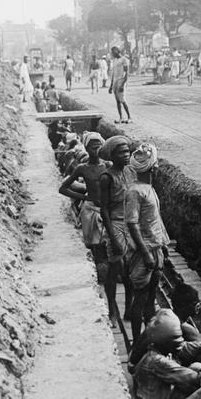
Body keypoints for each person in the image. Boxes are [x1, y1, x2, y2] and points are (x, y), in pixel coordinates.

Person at [125, 143, 170, 341]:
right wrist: (145, 253)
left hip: (155, 249)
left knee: (150, 300)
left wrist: (163, 245)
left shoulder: (148, 189)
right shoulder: (135, 192)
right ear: (152, 168)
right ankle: (136, 341)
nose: (158, 167)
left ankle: (149, 341)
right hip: (145, 253)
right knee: (141, 299)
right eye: (156, 164)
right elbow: (132, 224)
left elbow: (155, 220)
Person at [132, 309, 201, 399]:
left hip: (164, 393)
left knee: (197, 366)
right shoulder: (157, 361)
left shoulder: (160, 349)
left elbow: (193, 347)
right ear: (167, 342)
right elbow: (195, 379)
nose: (179, 344)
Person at [98, 135, 136, 326]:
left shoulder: (130, 172)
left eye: (127, 151)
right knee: (114, 270)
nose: (126, 155)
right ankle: (113, 309)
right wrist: (112, 236)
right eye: (121, 152)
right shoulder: (107, 177)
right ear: (112, 155)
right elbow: (103, 208)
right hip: (115, 224)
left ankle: (129, 308)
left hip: (130, 224)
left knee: (130, 271)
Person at [59, 132, 109, 272]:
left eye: (99, 147)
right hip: (91, 210)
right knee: (96, 245)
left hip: (107, 209)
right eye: (93, 147)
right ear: (86, 148)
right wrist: (84, 198)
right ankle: (100, 272)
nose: (96, 150)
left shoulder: (107, 166)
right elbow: (63, 188)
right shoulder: (82, 168)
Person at [108, 46, 132, 124]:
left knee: (122, 100)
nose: (112, 54)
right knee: (117, 101)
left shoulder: (124, 60)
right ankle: (121, 117)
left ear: (117, 51)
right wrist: (111, 86)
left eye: (113, 52)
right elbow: (113, 73)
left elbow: (126, 73)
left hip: (121, 81)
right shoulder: (114, 60)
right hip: (115, 81)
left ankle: (129, 117)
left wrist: (123, 84)